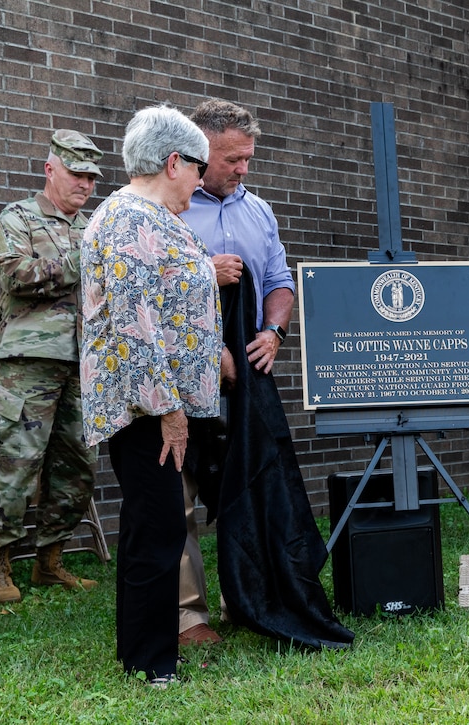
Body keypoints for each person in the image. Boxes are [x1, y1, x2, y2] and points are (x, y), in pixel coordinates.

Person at [177, 99, 352, 651]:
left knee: (247, 483)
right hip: (182, 372)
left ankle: (246, 595)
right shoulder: (168, 206)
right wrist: (203, 278)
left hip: (247, 377)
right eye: (233, 159)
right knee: (178, 494)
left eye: (249, 158)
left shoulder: (260, 210)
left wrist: (273, 332)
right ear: (200, 152)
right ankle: (187, 616)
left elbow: (280, 280)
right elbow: (151, 288)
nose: (243, 169)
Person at [79, 104, 222, 686]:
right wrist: (169, 411)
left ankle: (142, 653)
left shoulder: (151, 218)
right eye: (198, 168)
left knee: (151, 524)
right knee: (160, 526)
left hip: (154, 404)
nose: (202, 179)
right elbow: (134, 326)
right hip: (144, 409)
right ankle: (151, 664)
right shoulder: (131, 220)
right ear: (172, 161)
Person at [0, 130, 104, 604]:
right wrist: (85, 258)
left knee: (79, 466)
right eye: (77, 174)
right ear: (50, 169)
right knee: (17, 463)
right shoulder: (18, 218)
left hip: (85, 362)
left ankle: (50, 562)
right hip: (30, 361)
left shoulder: (94, 225)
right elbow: (14, 275)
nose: (86, 185)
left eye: (92, 177)